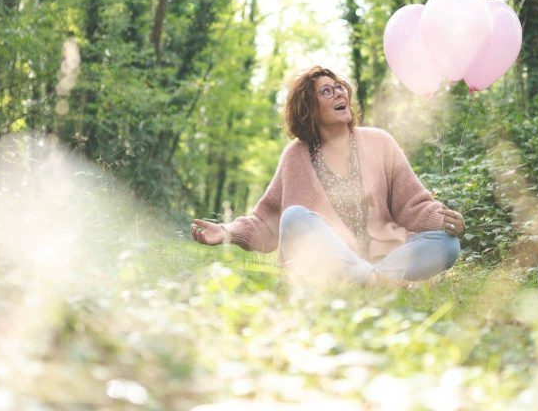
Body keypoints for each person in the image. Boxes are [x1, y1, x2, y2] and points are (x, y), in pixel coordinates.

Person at [191, 66, 463, 287]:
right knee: (294, 216)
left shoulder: (380, 142)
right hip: (327, 261)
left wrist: (444, 220)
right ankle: (375, 280)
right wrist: (227, 231)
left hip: (382, 255)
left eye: (340, 87)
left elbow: (412, 205)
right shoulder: (295, 156)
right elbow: (267, 223)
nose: (339, 93)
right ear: (309, 109)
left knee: (447, 244)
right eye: (326, 91)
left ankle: (369, 279)